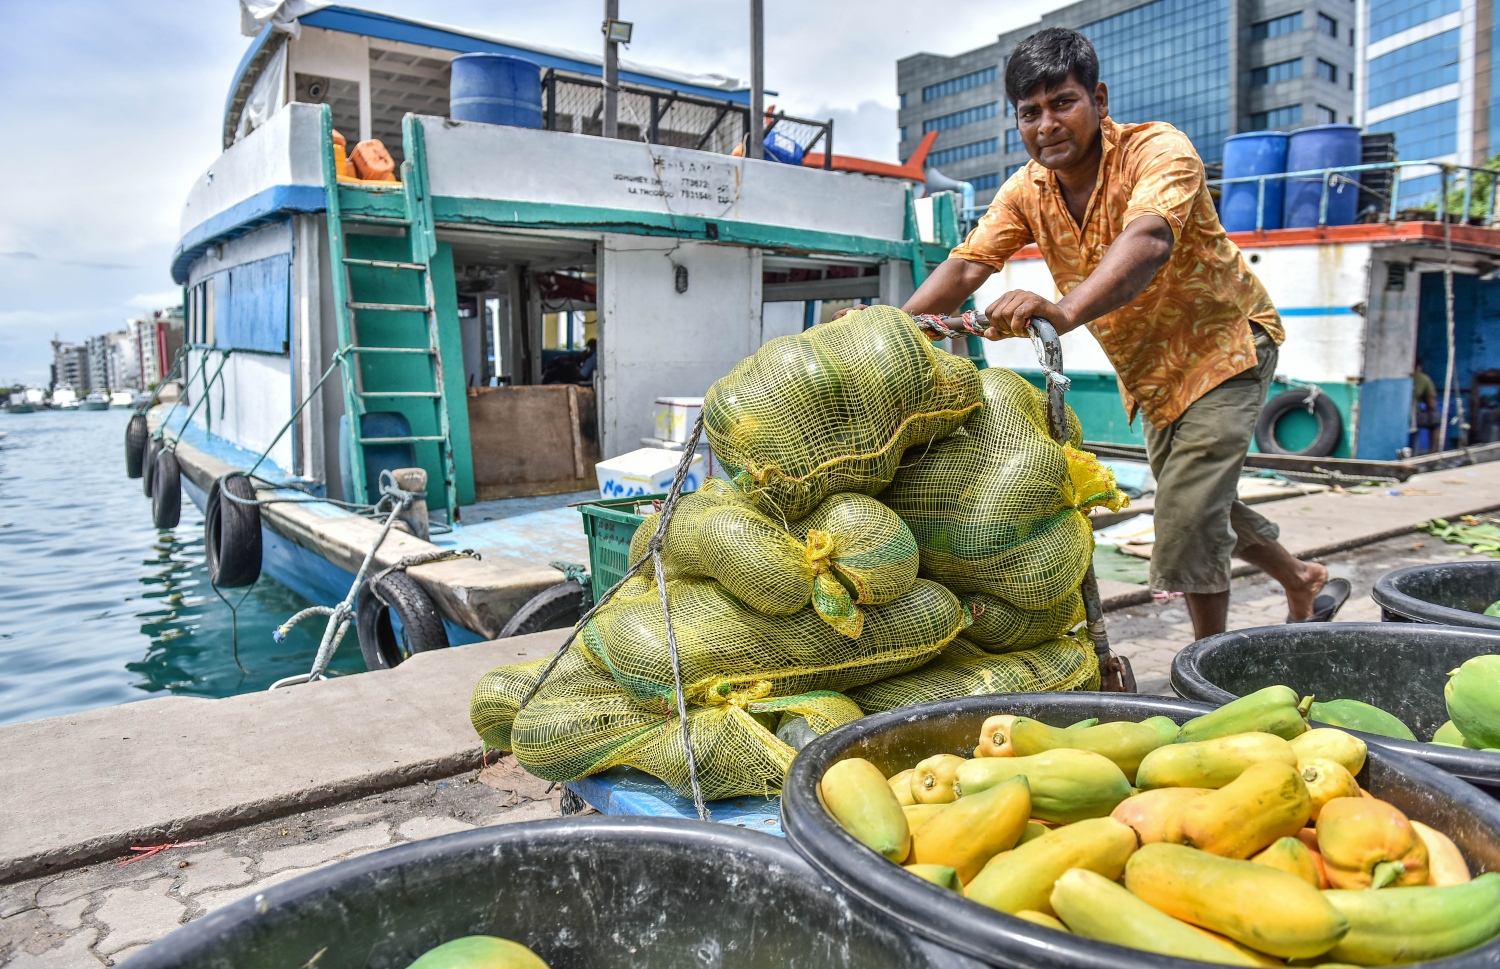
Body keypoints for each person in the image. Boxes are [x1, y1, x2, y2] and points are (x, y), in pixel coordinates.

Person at [892, 28, 1348, 638]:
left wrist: (1062, 311)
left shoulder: (1158, 151)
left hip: (1225, 346)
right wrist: (891, 329)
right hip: (1151, 371)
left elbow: (1150, 240)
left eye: (1063, 103)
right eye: (1030, 112)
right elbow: (970, 264)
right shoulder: (1026, 190)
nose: (1047, 124)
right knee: (1199, 501)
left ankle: (1204, 668)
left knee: (1185, 512)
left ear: (1099, 100)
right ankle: (1301, 579)